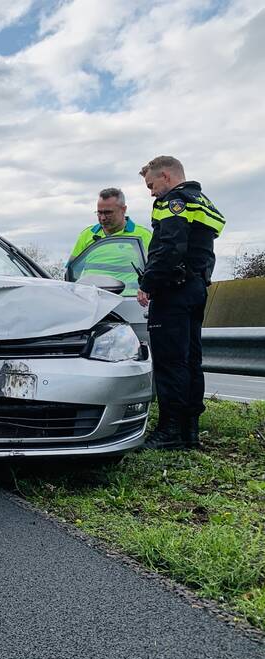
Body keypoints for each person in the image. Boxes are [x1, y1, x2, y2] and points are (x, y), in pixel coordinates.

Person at [137, 156, 225, 450]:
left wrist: (148, 283)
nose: (151, 192)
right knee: (191, 361)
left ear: (166, 175)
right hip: (197, 287)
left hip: (173, 290)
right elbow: (204, 250)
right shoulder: (203, 201)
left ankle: (169, 431)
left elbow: (170, 247)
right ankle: (190, 432)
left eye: (151, 185)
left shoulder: (173, 201)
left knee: (170, 362)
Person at [66, 188, 152, 292]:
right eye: (99, 213)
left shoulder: (143, 235)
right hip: (90, 299)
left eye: (108, 213)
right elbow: (72, 271)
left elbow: (154, 270)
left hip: (128, 300)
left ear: (123, 210)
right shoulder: (87, 234)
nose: (102, 218)